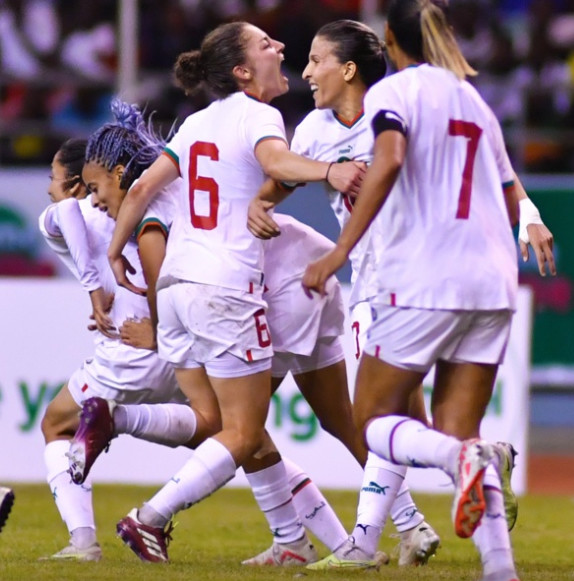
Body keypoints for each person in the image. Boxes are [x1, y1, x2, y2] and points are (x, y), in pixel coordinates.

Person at [102, 21, 365, 564]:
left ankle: (291, 544)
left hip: (177, 290)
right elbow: (275, 163)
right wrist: (331, 170)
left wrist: (114, 252)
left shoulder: (196, 123)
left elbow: (144, 188)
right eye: (267, 44)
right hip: (224, 289)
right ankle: (148, 516)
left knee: (226, 426)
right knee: (243, 432)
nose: (282, 48)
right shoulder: (258, 114)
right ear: (243, 71)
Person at [302, 1, 525, 580]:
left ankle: (460, 460)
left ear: (389, 40)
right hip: (495, 281)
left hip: (425, 275)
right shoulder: (476, 102)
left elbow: (391, 157)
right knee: (462, 427)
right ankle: (500, 567)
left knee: (372, 417)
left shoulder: (392, 94)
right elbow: (507, 192)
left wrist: (341, 249)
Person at [248, 19, 441, 567]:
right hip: (372, 284)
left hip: (413, 281)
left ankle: (381, 533)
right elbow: (283, 179)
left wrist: (523, 212)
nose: (306, 71)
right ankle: (425, 512)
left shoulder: (396, 110)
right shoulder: (313, 128)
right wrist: (262, 201)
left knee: (375, 416)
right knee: (398, 423)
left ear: (348, 69)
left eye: (316, 60)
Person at [39, 138, 198, 562]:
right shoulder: (138, 202)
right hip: (174, 336)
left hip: (128, 345)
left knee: (55, 425)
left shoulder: (77, 208)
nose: (50, 190)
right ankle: (292, 534)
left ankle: (83, 542)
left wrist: (94, 290)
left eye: (54, 180)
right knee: (234, 436)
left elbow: (66, 211)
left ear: (77, 183)